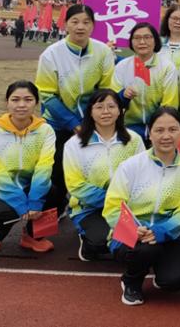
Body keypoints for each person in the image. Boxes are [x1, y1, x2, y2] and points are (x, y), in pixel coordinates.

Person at [104, 107, 180, 306]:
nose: (166, 136)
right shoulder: (131, 166)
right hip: (133, 234)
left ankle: (161, 271)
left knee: (174, 281)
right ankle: (131, 281)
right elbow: (112, 207)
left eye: (173, 130)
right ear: (149, 132)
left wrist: (161, 231)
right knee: (145, 250)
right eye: (159, 130)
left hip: (170, 235)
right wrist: (134, 230)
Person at [35, 4, 116, 212]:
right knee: (56, 171)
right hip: (58, 122)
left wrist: (93, 120)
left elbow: (106, 90)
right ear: (65, 24)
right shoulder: (51, 54)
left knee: (93, 167)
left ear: (93, 26)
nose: (80, 27)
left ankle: (90, 209)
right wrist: (73, 123)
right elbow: (47, 95)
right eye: (75, 21)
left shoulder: (103, 52)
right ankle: (56, 208)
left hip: (93, 122)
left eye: (86, 22)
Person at [0, 81, 57, 254]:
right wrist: (21, 205)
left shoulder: (46, 130)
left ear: (36, 103)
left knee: (55, 194)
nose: (21, 105)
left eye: (28, 100)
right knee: (7, 211)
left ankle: (33, 237)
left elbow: (44, 167)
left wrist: (35, 202)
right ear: (7, 102)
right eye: (15, 99)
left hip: (28, 186)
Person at [64, 89, 144, 261]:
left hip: (127, 207)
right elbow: (75, 185)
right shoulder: (74, 144)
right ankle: (87, 241)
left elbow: (143, 175)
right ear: (90, 112)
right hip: (90, 208)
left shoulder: (134, 140)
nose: (106, 112)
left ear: (120, 110)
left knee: (138, 242)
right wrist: (112, 199)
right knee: (100, 241)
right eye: (99, 107)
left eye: (111, 106)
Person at [112, 23, 179, 142]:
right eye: (137, 38)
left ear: (155, 40)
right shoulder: (122, 67)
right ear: (131, 42)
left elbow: (169, 104)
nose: (142, 42)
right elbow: (112, 100)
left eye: (147, 37)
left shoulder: (167, 67)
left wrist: (154, 129)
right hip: (128, 128)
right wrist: (123, 95)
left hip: (159, 128)